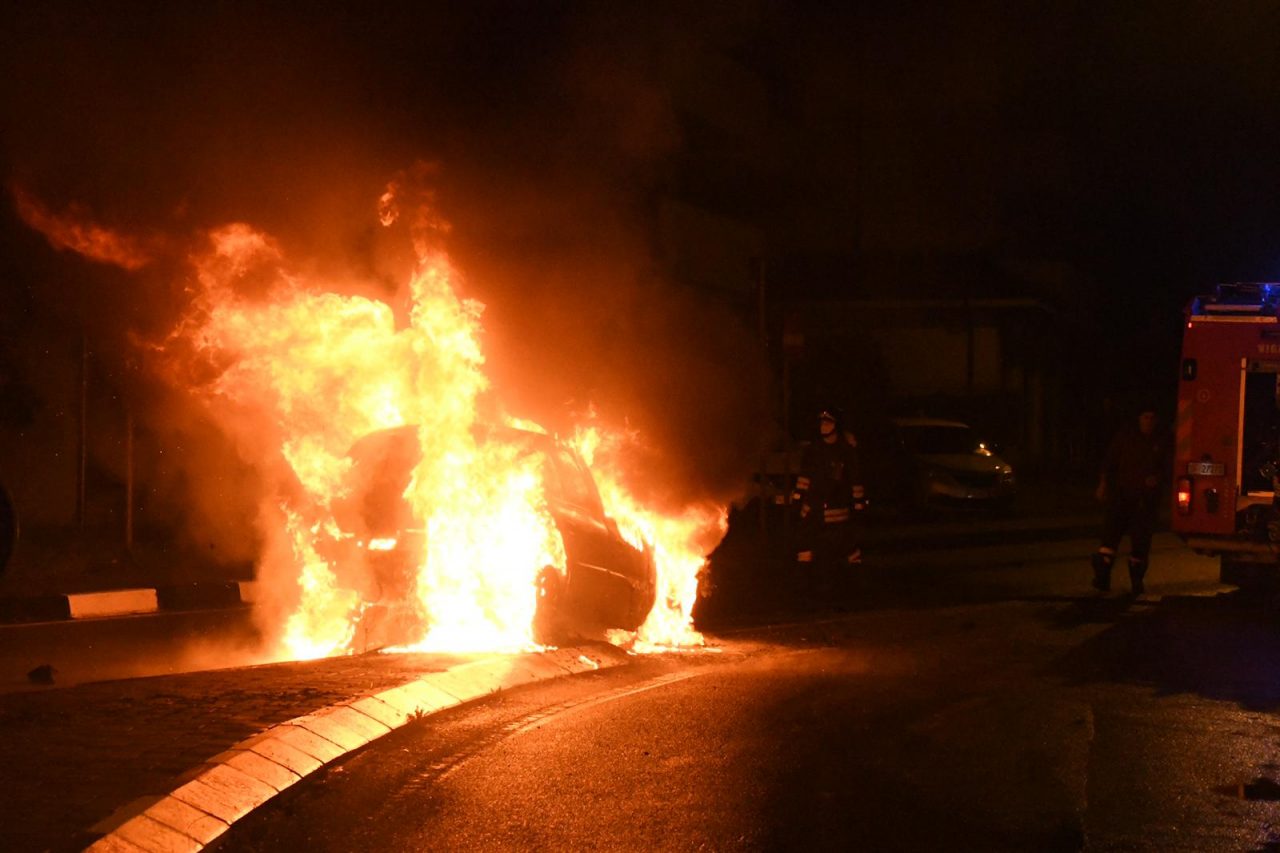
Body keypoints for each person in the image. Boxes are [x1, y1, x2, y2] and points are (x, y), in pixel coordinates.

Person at [1092, 404, 1172, 595]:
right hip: (1121, 495)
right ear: (1138, 419)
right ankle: (1102, 578)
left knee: (1140, 543)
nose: (1148, 421)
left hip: (1145, 501)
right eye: (1145, 417)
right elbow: (1109, 461)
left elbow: (1168, 467)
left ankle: (1136, 582)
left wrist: (1158, 479)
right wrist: (1103, 485)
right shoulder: (1126, 437)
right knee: (1109, 539)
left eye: (1152, 418)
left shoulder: (1161, 441)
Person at [792, 407, 867, 600]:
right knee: (806, 551)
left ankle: (853, 592)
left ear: (836, 425)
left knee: (846, 551)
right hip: (813, 512)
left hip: (838, 514)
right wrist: (798, 500)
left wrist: (858, 506)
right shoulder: (813, 450)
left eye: (828, 422)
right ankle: (804, 593)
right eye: (821, 423)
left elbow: (855, 481)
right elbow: (804, 478)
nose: (823, 426)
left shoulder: (845, 451)